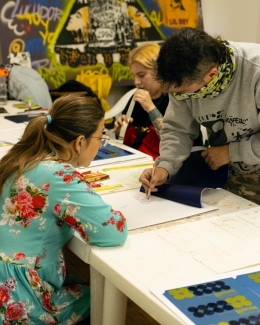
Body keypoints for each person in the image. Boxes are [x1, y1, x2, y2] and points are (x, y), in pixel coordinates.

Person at [0, 94, 127, 324]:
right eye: (101, 137)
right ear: (80, 142)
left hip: (7, 278)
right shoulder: (58, 175)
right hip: (19, 296)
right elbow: (112, 232)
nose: (101, 144)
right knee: (98, 295)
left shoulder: (22, 156)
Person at [139, 27, 260, 205]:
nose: (179, 96)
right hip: (229, 173)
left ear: (211, 75)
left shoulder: (255, 70)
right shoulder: (181, 78)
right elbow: (177, 129)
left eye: (185, 92)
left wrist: (231, 151)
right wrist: (165, 166)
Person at [114, 42, 202, 160]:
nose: (136, 82)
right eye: (134, 76)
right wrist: (121, 128)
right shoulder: (136, 99)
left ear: (160, 72)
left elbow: (176, 143)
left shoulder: (178, 98)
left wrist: (151, 108)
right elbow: (126, 139)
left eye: (141, 75)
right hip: (143, 159)